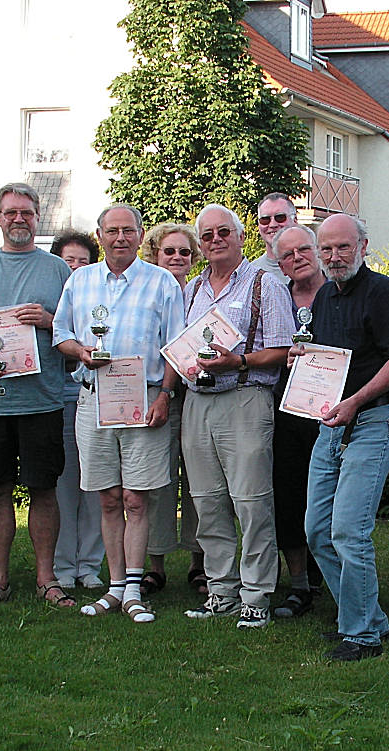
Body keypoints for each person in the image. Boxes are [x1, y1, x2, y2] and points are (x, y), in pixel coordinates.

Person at [53, 204, 183, 624]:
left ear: (141, 235)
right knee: (108, 497)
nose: (120, 238)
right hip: (94, 399)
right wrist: (81, 352)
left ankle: (133, 589)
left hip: (144, 398)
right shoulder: (80, 280)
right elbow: (61, 333)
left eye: (128, 230)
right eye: (112, 231)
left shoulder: (162, 282)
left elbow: (175, 346)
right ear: (100, 235)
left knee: (136, 498)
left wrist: (165, 396)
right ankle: (114, 587)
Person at [0, 182, 74, 608]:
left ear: (37, 217)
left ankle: (47, 579)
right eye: (11, 212)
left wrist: (50, 319)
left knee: (44, 490)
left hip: (43, 399)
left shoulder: (57, 270)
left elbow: (76, 329)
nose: (18, 219)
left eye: (26, 212)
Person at [297, 213, 389, 661]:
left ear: (363, 246)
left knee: (348, 530)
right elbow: (329, 359)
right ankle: (366, 617)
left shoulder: (383, 292)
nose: (334, 256)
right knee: (316, 530)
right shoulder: (325, 295)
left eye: (343, 247)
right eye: (326, 249)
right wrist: (303, 360)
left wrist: (355, 401)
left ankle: (362, 635)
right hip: (332, 421)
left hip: (376, 418)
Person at [181, 204, 294, 629]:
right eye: (207, 235)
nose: (215, 240)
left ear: (240, 236)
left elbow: (283, 349)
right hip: (198, 401)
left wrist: (239, 361)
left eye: (223, 232)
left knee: (251, 502)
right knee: (207, 502)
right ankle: (221, 591)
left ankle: (256, 595)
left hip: (245, 397)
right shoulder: (193, 288)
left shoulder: (265, 283)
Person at [138, 223, 205, 595]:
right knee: (157, 481)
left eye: (184, 252)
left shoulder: (201, 294)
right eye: (169, 251)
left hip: (197, 397)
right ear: (154, 254)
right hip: (156, 396)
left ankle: (199, 562)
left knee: (199, 480)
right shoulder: (145, 292)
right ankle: (156, 565)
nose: (177, 258)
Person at [269, 225, 326, 618]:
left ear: (317, 250)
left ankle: (334, 574)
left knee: (331, 499)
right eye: (287, 255)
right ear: (279, 264)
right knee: (289, 494)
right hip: (287, 410)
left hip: (335, 410)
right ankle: (300, 584)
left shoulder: (340, 294)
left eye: (304, 249)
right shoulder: (277, 297)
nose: (297, 258)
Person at [48, 230, 106, 590]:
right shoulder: (46, 299)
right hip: (58, 399)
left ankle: (91, 565)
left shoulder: (98, 297)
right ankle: (64, 565)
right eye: (69, 260)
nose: (75, 267)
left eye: (83, 261)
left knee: (96, 486)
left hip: (97, 395)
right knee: (65, 485)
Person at [252, 193, 297, 285]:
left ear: (295, 221)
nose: (273, 225)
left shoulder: (316, 267)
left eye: (280, 217)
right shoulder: (251, 273)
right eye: (265, 219)